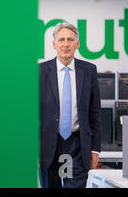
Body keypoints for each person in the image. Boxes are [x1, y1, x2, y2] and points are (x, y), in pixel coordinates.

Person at [39, 22, 101, 188]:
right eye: (61, 40)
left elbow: (95, 112)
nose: (66, 44)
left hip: (77, 145)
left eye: (70, 39)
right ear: (54, 44)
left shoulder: (89, 70)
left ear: (77, 44)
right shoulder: (40, 72)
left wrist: (95, 149)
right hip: (48, 145)